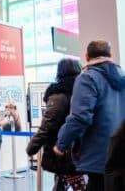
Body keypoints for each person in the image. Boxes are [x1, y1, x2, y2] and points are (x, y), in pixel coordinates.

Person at [53, 40, 125, 191]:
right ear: (110, 55)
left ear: (86, 56)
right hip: (120, 151)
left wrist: (61, 144)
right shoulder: (123, 77)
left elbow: (80, 117)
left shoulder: (88, 78)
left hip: (98, 154)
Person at [26, 58, 86, 190]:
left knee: (73, 181)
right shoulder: (85, 90)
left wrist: (32, 147)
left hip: (63, 150)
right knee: (63, 181)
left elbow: (48, 125)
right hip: (82, 147)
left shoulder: (58, 94)